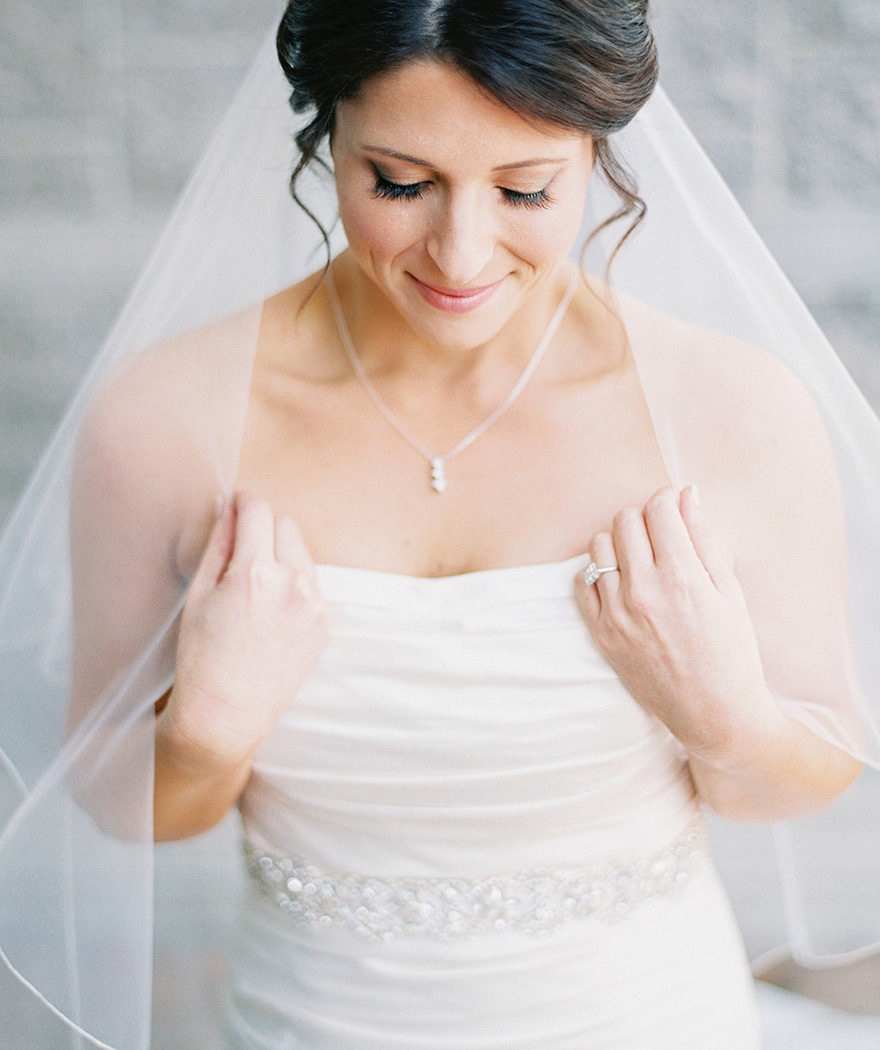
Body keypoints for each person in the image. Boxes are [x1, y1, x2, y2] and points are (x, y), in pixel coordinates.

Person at [2, 2, 880, 1049]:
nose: (460, 255)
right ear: (328, 137)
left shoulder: (734, 409)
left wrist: (717, 709)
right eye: (401, 183)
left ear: (597, 155)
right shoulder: (163, 419)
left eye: (525, 190)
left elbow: (802, 778)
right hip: (310, 1021)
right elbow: (117, 802)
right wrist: (207, 727)